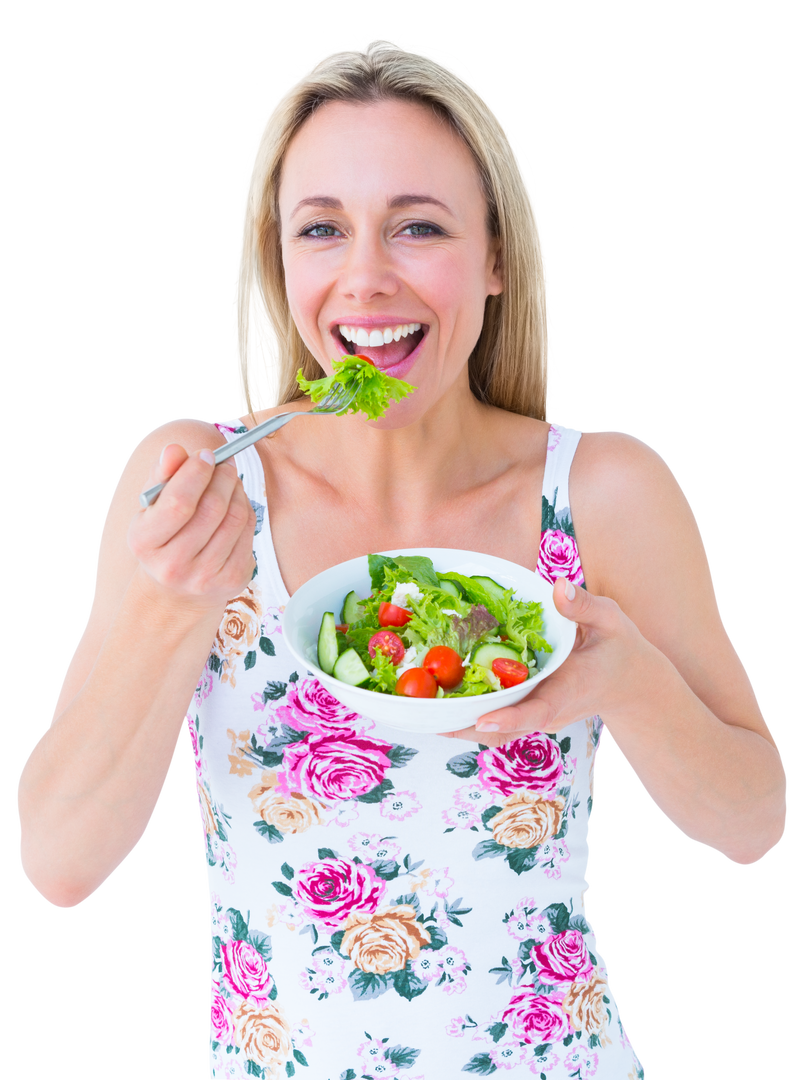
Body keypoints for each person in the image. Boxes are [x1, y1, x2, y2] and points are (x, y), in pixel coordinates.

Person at [16, 33, 787, 1080]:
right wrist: (175, 609)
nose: (365, 280)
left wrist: (632, 682)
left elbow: (755, 824)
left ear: (498, 254)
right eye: (322, 229)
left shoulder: (602, 491)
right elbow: (58, 866)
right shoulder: (195, 481)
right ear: (280, 261)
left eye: (418, 226)